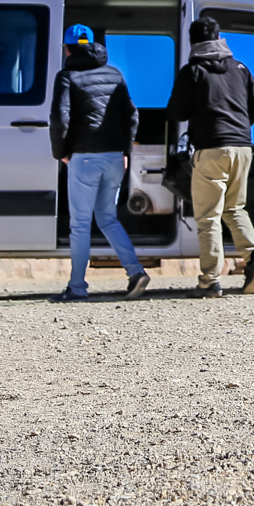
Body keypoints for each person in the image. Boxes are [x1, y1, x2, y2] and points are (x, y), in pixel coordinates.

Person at [166, 16, 254, 298]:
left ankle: (210, 281)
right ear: (220, 36)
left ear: (193, 41)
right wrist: (240, 125)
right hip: (243, 148)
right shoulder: (240, 68)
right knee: (235, 209)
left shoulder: (193, 71)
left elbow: (176, 112)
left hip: (211, 149)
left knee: (208, 218)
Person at [48, 23, 148, 302]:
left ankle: (77, 288)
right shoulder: (115, 74)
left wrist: (61, 153)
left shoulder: (67, 76)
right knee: (107, 218)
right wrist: (125, 151)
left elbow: (59, 118)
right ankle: (135, 272)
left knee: (80, 223)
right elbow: (132, 115)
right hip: (115, 157)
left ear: (67, 49)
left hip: (84, 157)